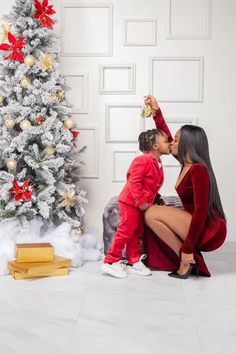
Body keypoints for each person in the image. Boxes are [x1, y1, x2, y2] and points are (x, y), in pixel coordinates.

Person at [143, 96, 227, 278]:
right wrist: (156, 112)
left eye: (177, 139)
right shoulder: (187, 164)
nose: (171, 142)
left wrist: (188, 247)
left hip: (210, 229)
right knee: (150, 214)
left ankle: (187, 257)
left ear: (188, 144)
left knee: (151, 213)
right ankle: (187, 259)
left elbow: (201, 211)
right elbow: (166, 133)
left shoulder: (198, 170)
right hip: (197, 221)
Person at [102, 128, 171, 278]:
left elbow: (150, 184)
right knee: (126, 230)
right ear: (155, 146)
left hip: (140, 204)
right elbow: (134, 182)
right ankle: (110, 261)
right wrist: (141, 202)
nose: (170, 143)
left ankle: (133, 261)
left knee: (136, 232)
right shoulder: (143, 160)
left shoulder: (157, 161)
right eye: (166, 141)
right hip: (130, 202)